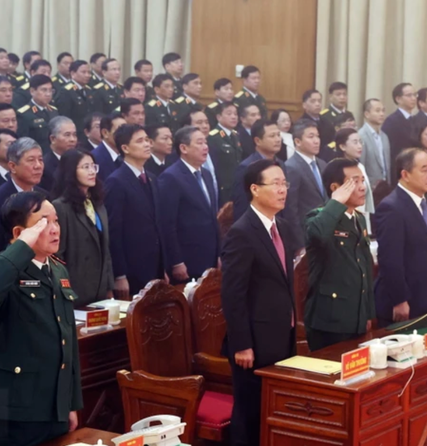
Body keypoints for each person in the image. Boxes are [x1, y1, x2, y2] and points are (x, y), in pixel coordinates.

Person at [0, 192, 82, 446]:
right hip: (13, 410)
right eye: (44, 223)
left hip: (52, 405)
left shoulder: (57, 269)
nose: (55, 229)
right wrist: (20, 248)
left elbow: (68, 341)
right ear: (19, 232)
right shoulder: (0, 269)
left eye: (56, 221)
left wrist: (69, 403)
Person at [220, 159, 295, 446]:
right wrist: (241, 343)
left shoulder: (283, 228)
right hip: (253, 343)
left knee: (272, 412)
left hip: (281, 335)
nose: (282, 189)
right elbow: (232, 293)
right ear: (254, 189)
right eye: (275, 183)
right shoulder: (242, 232)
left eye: (284, 183)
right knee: (249, 415)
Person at [304, 158, 374, 351]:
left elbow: (365, 268)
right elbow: (318, 235)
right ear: (335, 187)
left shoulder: (359, 218)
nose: (362, 187)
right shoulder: (317, 217)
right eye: (354, 182)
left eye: (362, 180)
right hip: (330, 320)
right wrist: (335, 202)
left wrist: (367, 313)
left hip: (356, 314)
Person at [373, 148, 427, 323]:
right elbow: (390, 259)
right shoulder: (392, 207)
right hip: (407, 301)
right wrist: (399, 300)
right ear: (405, 174)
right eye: (424, 169)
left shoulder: (426, 203)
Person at [104, 124, 164, 299]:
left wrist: (163, 266)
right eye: (140, 141)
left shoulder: (152, 178)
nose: (147, 144)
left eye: (147, 140)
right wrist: (119, 275)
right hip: (132, 270)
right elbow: (114, 232)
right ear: (125, 148)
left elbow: (157, 223)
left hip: (155, 266)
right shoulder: (116, 182)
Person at [53, 150, 114, 306]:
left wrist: (108, 285)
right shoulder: (61, 207)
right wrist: (65, 291)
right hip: (76, 289)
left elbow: (105, 250)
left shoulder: (98, 204)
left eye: (93, 166)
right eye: (85, 167)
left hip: (99, 288)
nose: (92, 171)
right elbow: (57, 256)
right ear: (71, 171)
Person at [159, 126, 219, 282]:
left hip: (210, 256)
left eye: (205, 142)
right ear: (183, 148)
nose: (205, 146)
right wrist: (176, 261)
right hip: (187, 258)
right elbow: (168, 224)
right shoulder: (171, 177)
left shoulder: (206, 174)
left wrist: (218, 253)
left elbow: (212, 218)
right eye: (199, 142)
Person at [0, 137, 46, 267]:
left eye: (40, 160)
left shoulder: (44, 197)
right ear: (13, 166)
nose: (38, 165)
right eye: (31, 160)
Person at [231, 119, 285, 222]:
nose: (278, 139)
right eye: (272, 136)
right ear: (257, 141)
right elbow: (241, 207)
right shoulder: (247, 167)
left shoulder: (281, 164)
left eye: (278, 135)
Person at [284, 120, 326, 246]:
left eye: (317, 136)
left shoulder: (323, 164)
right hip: (305, 234)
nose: (316, 140)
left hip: (325, 232)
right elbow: (291, 210)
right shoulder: (291, 167)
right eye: (311, 136)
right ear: (298, 141)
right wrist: (299, 243)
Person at [333, 128, 375, 232]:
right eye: (355, 142)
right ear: (342, 146)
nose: (359, 146)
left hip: (363, 215)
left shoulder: (360, 166)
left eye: (360, 142)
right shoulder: (337, 169)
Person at [207, 101, 243, 206]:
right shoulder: (213, 137)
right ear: (218, 117)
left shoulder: (235, 135)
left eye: (235, 114)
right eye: (229, 113)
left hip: (235, 186)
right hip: (221, 188)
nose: (233, 117)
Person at [381, 82, 417, 180]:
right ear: (398, 99)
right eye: (409, 95)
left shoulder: (415, 120)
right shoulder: (391, 121)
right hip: (399, 171)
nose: (413, 98)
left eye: (415, 95)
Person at [16, 74, 58, 150]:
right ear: (32, 91)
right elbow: (23, 143)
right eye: (44, 90)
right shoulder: (24, 114)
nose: (48, 94)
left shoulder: (54, 110)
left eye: (51, 90)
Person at [359, 98, 391, 185]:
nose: (381, 114)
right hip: (369, 187)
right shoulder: (361, 136)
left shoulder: (384, 136)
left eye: (383, 111)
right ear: (367, 114)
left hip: (385, 187)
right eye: (377, 111)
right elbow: (361, 165)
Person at [91, 113, 126, 181]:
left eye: (126, 129)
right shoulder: (95, 158)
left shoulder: (128, 154)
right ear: (105, 133)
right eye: (120, 129)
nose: (125, 133)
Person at [318, 81, 348, 146]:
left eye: (344, 94)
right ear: (330, 97)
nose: (342, 97)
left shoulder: (349, 114)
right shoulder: (324, 116)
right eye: (338, 94)